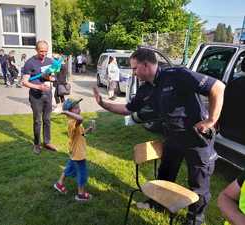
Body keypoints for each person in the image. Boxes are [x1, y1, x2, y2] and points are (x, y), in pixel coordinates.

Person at [93, 48, 225, 225]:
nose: (133, 72)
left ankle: (195, 220)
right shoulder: (145, 88)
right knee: (164, 173)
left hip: (196, 138)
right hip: (172, 137)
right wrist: (103, 103)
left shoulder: (177, 75)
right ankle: (158, 204)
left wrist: (211, 120)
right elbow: (127, 109)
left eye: (134, 68)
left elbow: (217, 87)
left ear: (146, 65)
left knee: (199, 183)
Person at [53, 98, 94, 201]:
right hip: (78, 152)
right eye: (75, 108)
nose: (79, 109)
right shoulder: (72, 122)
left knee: (69, 167)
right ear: (69, 112)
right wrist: (65, 112)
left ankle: (59, 183)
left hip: (75, 151)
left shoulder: (75, 122)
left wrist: (88, 130)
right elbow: (80, 119)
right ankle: (81, 194)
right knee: (82, 173)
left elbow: (80, 133)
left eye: (78, 107)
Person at [22, 40, 57, 154]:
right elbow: (25, 82)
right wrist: (38, 87)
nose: (44, 54)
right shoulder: (30, 63)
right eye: (41, 51)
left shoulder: (49, 61)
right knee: (37, 121)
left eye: (46, 51)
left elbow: (51, 75)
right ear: (36, 50)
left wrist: (51, 78)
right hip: (36, 96)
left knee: (47, 119)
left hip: (48, 94)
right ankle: (37, 144)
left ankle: (47, 142)